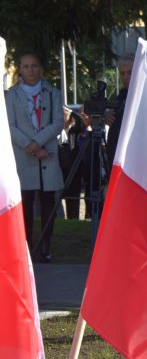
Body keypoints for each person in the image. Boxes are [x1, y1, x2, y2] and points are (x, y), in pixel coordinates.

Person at [6, 52, 64, 262]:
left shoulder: (53, 93)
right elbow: (9, 126)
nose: (31, 70)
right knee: (26, 201)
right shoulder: (10, 96)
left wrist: (38, 143)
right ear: (20, 69)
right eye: (26, 66)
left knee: (48, 200)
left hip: (46, 154)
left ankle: (45, 245)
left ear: (40, 68)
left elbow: (58, 122)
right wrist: (30, 146)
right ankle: (27, 245)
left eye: (34, 66)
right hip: (24, 156)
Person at [106, 55, 133, 167]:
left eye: (129, 72)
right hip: (119, 157)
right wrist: (107, 115)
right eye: (122, 73)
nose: (126, 77)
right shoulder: (121, 96)